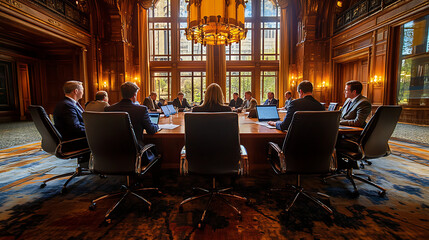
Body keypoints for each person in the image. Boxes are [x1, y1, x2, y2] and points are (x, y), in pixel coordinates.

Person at [105, 82, 158, 148]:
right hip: (134, 150)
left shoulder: (108, 109)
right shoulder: (141, 110)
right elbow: (151, 130)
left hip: (113, 150)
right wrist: (156, 125)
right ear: (134, 95)